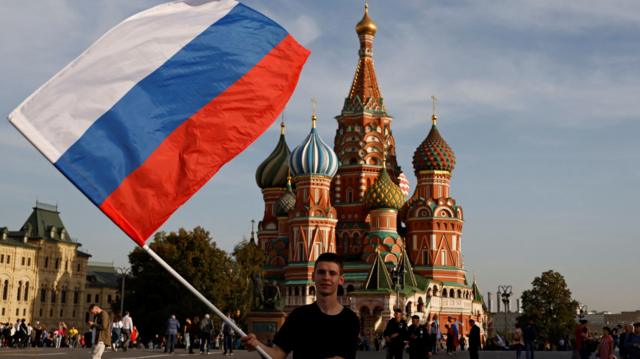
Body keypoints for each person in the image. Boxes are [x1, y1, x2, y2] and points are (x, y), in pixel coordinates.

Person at [242, 252, 360, 359]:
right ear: (313, 276)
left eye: (332, 273)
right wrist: (257, 345)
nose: (326, 277)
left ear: (341, 280)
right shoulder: (299, 316)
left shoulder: (350, 319)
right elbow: (277, 354)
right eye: (321, 272)